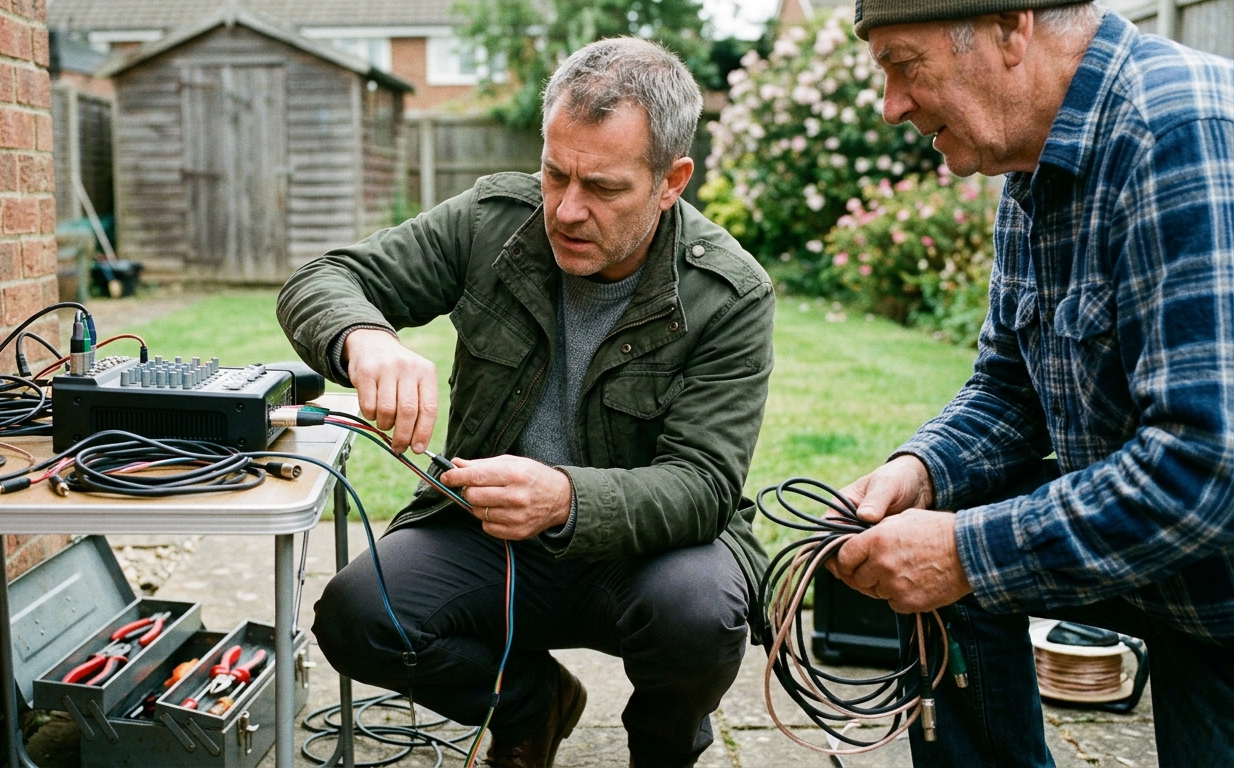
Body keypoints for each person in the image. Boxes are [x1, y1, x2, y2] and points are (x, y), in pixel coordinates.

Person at [277, 37, 775, 768]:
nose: (567, 210)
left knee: (698, 614)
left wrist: (567, 498)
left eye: (603, 188)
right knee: (358, 617)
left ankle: (664, 745)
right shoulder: (490, 221)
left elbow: (701, 486)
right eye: (554, 173)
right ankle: (532, 705)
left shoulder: (728, 294)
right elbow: (323, 278)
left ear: (672, 181)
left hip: (647, 554)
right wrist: (363, 337)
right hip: (487, 538)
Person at [829, 0, 1234, 764]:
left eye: (903, 67)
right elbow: (1009, 389)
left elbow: (1206, 468)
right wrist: (919, 471)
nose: (891, 108)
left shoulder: (1176, 133)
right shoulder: (1033, 163)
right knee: (941, 522)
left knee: (957, 553)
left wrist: (963, 554)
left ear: (1010, 30)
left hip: (1218, 585)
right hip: (1171, 567)